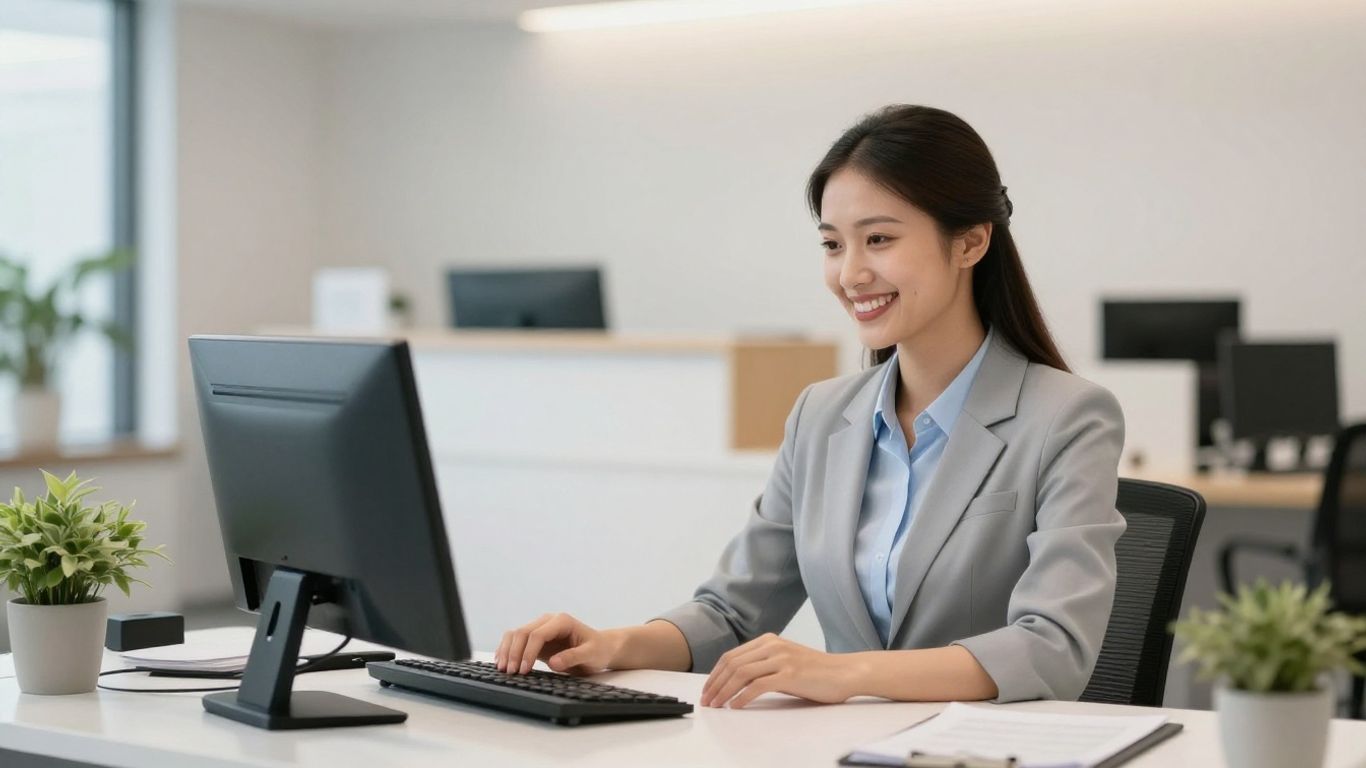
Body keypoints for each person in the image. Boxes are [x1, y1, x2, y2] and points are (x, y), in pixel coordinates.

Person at [495, 104, 1126, 708]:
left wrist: (841, 673)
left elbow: (1052, 648)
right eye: (832, 244)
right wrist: (614, 645)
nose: (850, 274)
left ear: (970, 243)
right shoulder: (821, 416)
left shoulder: (1068, 417)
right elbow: (731, 612)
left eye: (878, 239)